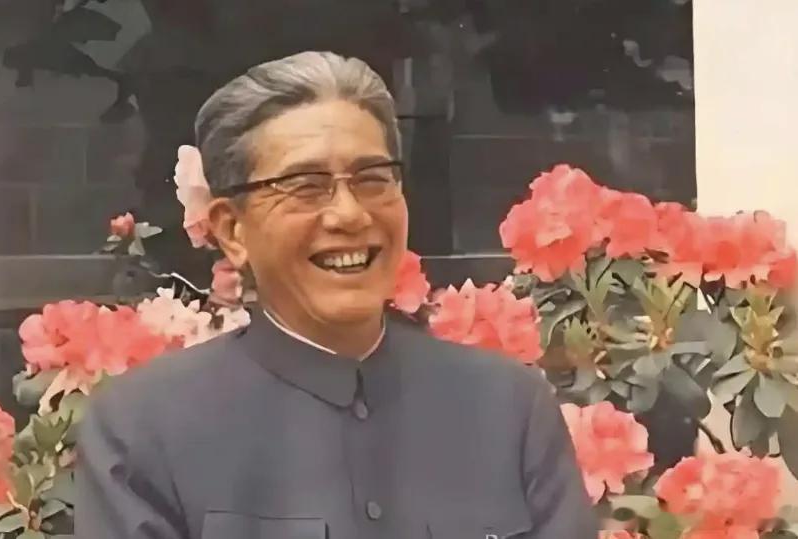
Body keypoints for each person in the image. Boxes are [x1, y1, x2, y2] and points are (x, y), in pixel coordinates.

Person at [76, 51, 598, 539]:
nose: (350, 214)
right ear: (232, 230)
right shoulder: (143, 428)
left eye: (372, 179)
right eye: (305, 186)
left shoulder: (507, 410)